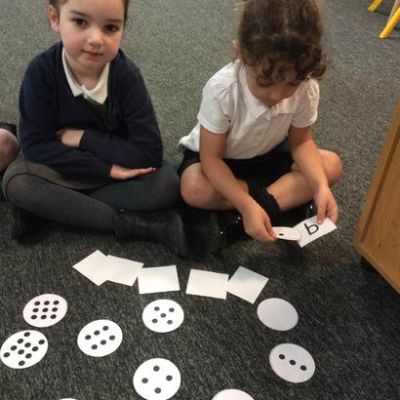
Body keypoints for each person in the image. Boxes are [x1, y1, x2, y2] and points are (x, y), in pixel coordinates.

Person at [2, 0, 187, 256]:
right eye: (80, 22)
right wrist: (105, 168)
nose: (96, 39)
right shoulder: (40, 72)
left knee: (167, 184)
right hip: (66, 169)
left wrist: (82, 138)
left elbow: (149, 152)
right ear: (55, 18)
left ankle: (54, 209)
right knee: (18, 183)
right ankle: (137, 225)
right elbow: (36, 146)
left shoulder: (126, 76)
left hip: (116, 170)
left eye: (111, 27)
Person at [178, 0, 342, 252]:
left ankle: (246, 216)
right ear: (241, 53)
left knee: (331, 165)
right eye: (266, 81)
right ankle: (275, 201)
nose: (278, 94)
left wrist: (320, 187)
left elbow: (302, 143)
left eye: (291, 83)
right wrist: (246, 204)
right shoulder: (222, 89)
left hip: (269, 156)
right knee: (193, 187)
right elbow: (211, 160)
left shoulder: (306, 87)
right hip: (221, 161)